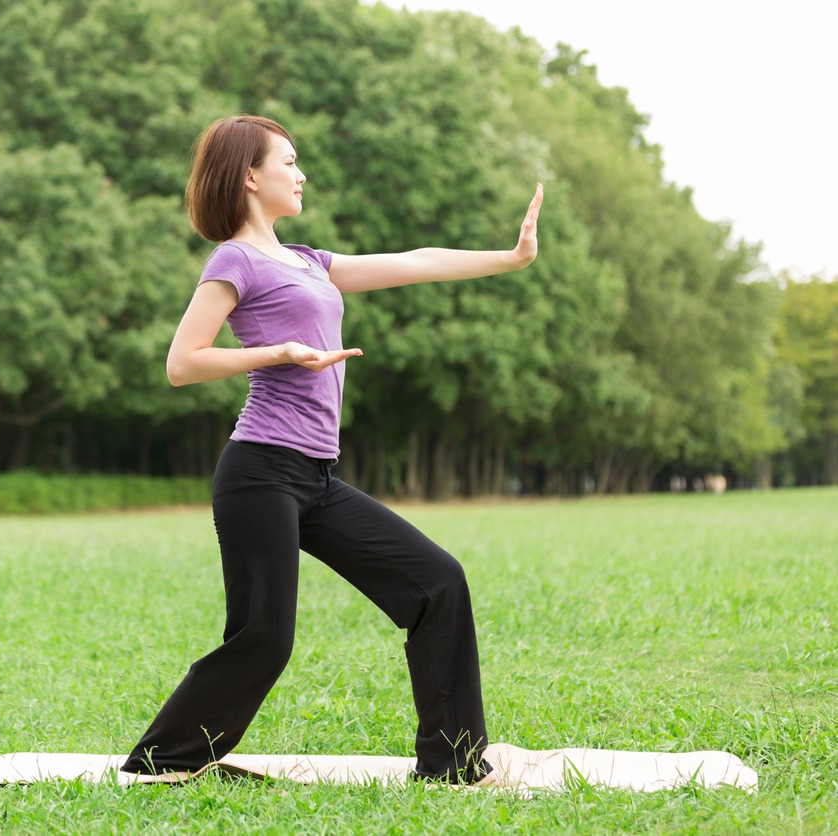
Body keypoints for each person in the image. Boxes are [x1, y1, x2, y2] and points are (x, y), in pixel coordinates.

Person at [120, 115, 543, 786]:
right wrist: (280, 352)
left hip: (315, 479)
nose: (301, 173)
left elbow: (416, 262)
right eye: (288, 162)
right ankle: (161, 760)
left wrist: (509, 259)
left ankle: (454, 763)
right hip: (258, 471)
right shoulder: (236, 259)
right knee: (264, 638)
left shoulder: (311, 262)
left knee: (437, 582)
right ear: (251, 176)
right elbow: (182, 362)